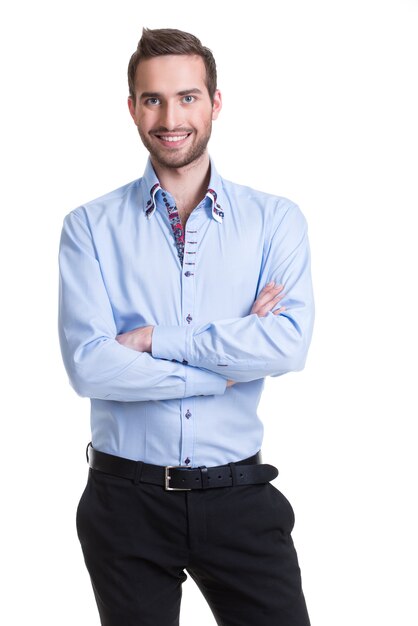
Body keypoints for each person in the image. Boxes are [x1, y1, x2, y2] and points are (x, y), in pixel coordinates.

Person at [58, 27, 314, 626]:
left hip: (241, 497)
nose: (171, 117)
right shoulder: (89, 227)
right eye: (153, 99)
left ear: (215, 102)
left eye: (188, 97)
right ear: (132, 108)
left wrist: (153, 340)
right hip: (125, 504)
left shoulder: (275, 221)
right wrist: (222, 369)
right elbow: (89, 365)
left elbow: (287, 343)